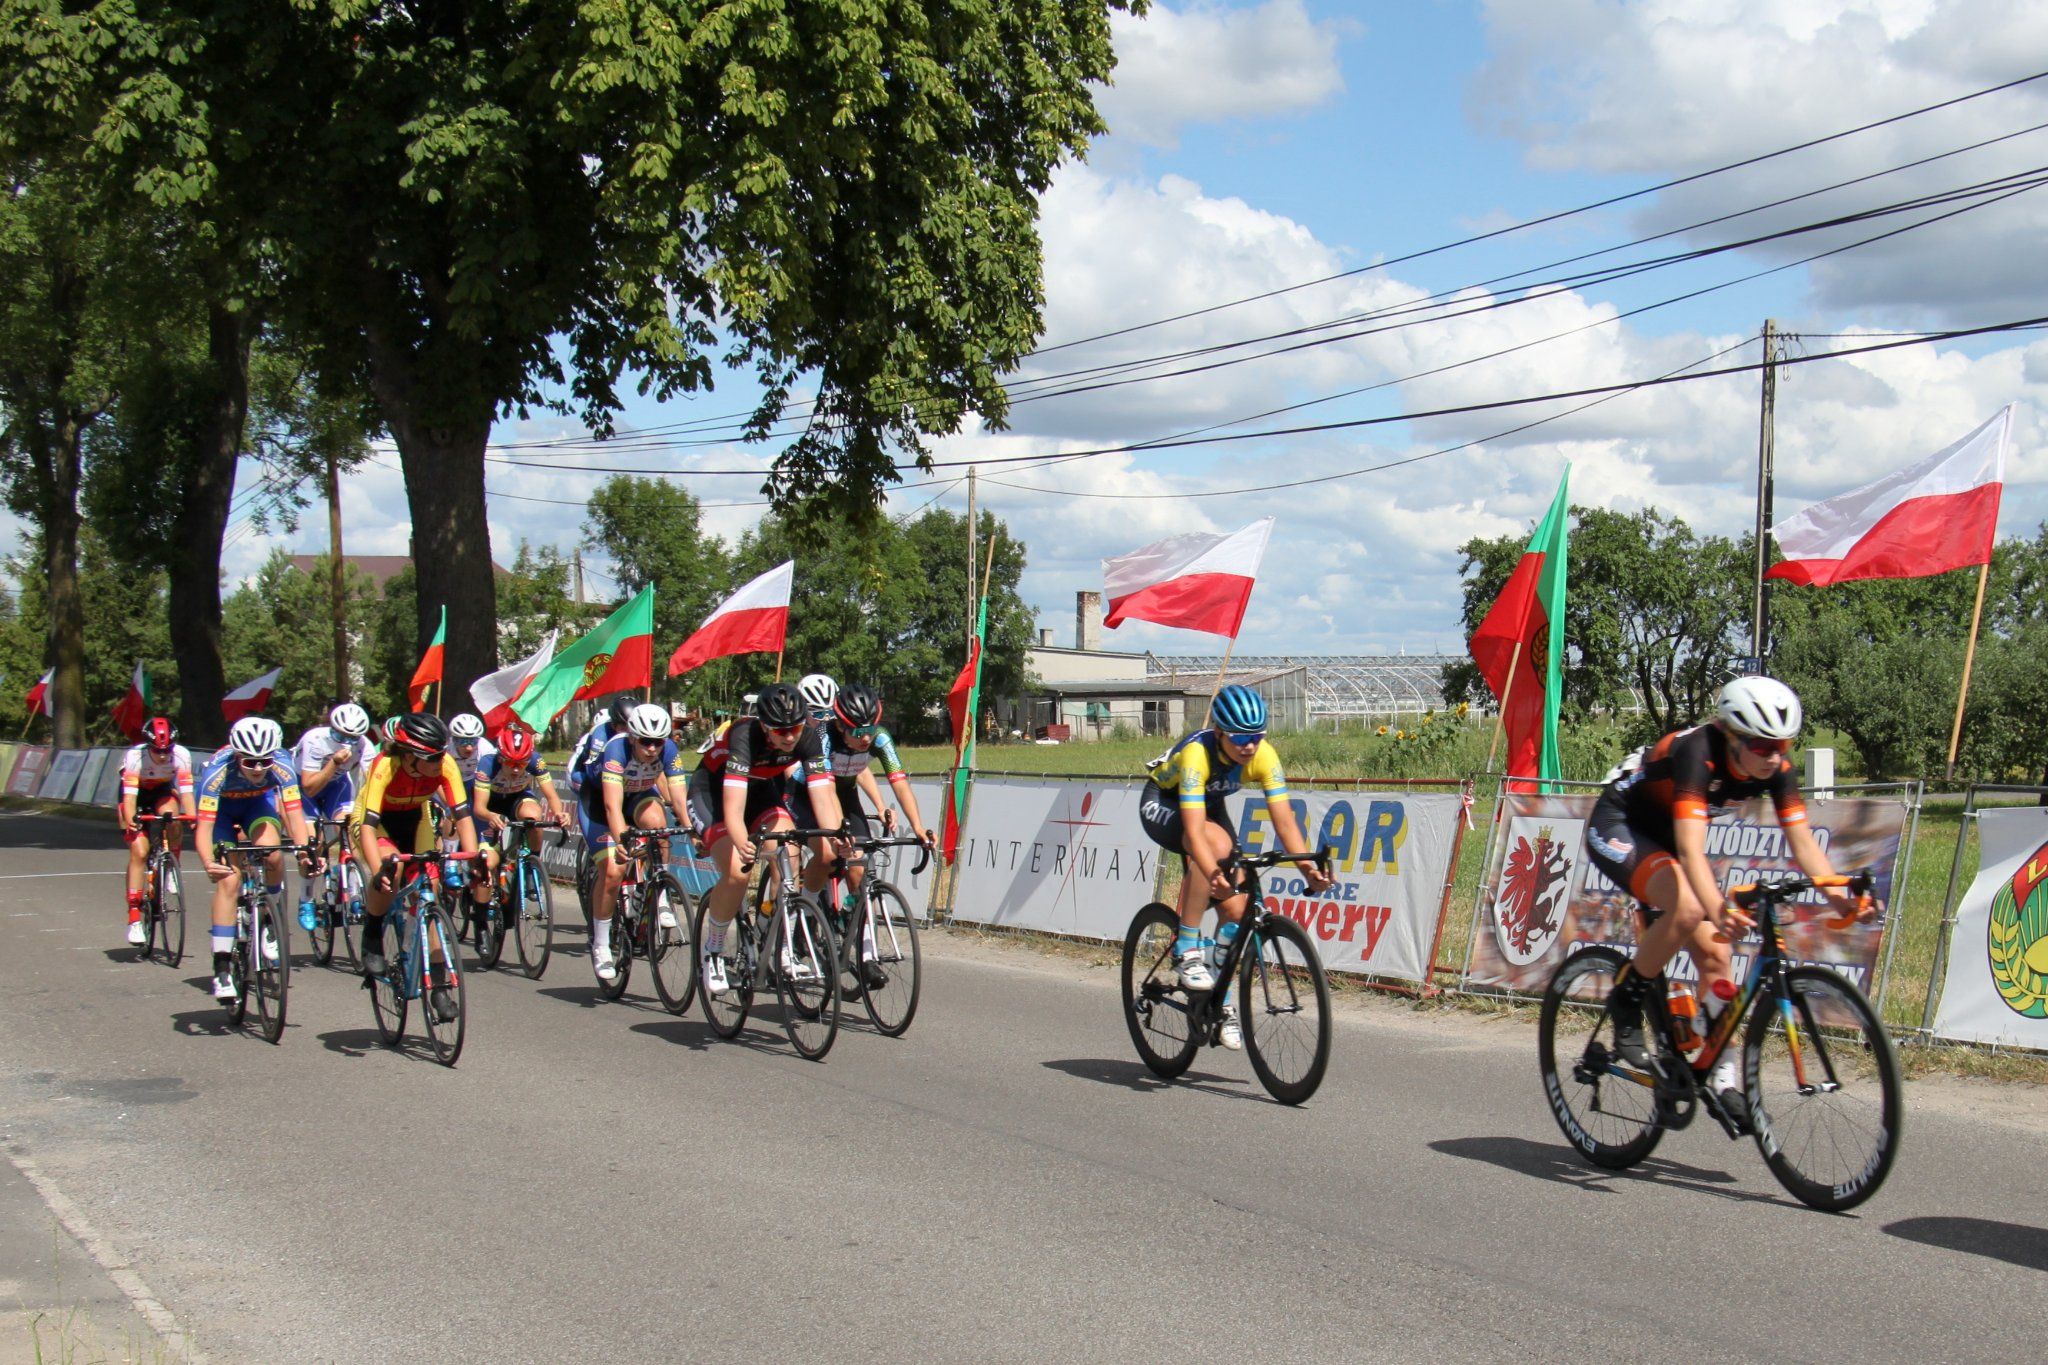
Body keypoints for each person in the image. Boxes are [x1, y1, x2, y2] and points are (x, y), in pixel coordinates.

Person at [1588, 675, 1855, 1126]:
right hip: (1621, 824)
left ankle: (1722, 1077)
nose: (1773, 757)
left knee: (1716, 956)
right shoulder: (1698, 752)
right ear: (1731, 736)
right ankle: (1627, 1001)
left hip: (1669, 837)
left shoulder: (1777, 768)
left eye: (1783, 746)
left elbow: (1804, 843)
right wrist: (1717, 908)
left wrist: (1840, 896)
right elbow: (1692, 851)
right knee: (1691, 907)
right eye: (1761, 745)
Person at [1139, 684, 1330, 1050]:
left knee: (1237, 909)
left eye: (1257, 737)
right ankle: (1186, 947)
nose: (1250, 746)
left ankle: (1219, 998)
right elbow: (1195, 833)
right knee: (1214, 847)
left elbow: (1285, 822)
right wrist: (1213, 872)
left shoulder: (1264, 755)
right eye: (1241, 738)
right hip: (1165, 803)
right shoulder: (1197, 753)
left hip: (1209, 806)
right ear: (1219, 733)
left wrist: (1307, 868)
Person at [689, 681, 844, 997]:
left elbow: (823, 798)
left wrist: (835, 837)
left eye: (794, 728)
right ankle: (713, 950)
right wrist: (741, 842)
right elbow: (733, 809)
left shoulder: (808, 737)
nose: (789, 737)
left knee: (789, 850)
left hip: (760, 791)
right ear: (764, 725)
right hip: (714, 793)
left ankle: (783, 942)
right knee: (737, 871)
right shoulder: (744, 735)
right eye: (780, 731)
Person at [349, 712, 478, 1022]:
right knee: (391, 869)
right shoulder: (385, 765)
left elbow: (463, 817)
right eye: (432, 756)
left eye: (442, 753)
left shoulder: (445, 764)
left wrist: (474, 859)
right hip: (377, 823)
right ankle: (372, 934)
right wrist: (378, 871)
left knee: (429, 892)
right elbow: (367, 827)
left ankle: (439, 986)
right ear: (409, 755)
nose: (440, 761)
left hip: (415, 819)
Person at [194, 717, 320, 1001]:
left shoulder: (282, 765)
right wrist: (208, 862)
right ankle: (222, 967)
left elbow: (295, 816)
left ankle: (268, 921)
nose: (259, 768)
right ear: (237, 756)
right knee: (229, 880)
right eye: (250, 762)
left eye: (265, 761)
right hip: (221, 813)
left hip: (256, 805)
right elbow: (203, 828)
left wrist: (304, 853)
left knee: (273, 854)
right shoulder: (216, 772)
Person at [582, 702, 691, 982]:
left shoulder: (668, 750)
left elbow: (679, 799)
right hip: (599, 804)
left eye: (658, 742)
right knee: (614, 870)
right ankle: (601, 944)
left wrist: (692, 829)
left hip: (639, 794)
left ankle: (660, 891)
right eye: (645, 741)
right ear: (632, 737)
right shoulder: (616, 749)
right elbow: (612, 806)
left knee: (659, 825)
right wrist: (621, 840)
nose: (652, 748)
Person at [117, 717, 196, 945]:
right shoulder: (135, 756)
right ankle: (134, 917)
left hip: (161, 790)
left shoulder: (182, 755)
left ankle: (171, 865)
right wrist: (132, 821)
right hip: (135, 795)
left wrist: (193, 819)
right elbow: (129, 799)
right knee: (139, 851)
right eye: (157, 750)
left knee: (173, 816)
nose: (163, 755)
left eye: (167, 750)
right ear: (148, 746)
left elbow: (187, 793)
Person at [294, 702, 372, 929]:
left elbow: (369, 782)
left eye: (353, 738)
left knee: (350, 830)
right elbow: (310, 787)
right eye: (340, 735)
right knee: (312, 844)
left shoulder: (364, 745)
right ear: (331, 728)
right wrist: (335, 762)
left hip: (337, 787)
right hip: (306, 789)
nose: (346, 742)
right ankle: (306, 899)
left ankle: (354, 892)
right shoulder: (315, 739)